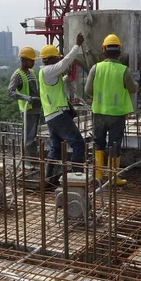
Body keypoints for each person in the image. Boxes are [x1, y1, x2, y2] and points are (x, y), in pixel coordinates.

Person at [84, 34, 139, 186]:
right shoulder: (124, 70)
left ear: (103, 50)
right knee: (114, 145)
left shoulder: (96, 68)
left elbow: (88, 90)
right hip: (117, 114)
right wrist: (137, 81)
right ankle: (114, 178)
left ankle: (98, 176)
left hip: (99, 113)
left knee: (98, 143)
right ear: (120, 52)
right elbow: (133, 89)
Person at [38, 33, 86, 186]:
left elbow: (60, 84)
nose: (59, 59)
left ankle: (47, 179)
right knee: (78, 144)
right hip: (58, 116)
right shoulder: (47, 71)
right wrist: (77, 45)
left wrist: (69, 108)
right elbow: (64, 62)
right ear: (49, 59)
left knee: (56, 148)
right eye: (56, 57)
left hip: (52, 116)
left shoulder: (49, 74)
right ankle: (75, 179)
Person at [8, 46, 42, 158]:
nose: (33, 62)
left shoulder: (32, 72)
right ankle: (27, 159)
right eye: (31, 60)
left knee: (33, 135)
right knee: (28, 136)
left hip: (36, 108)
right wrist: (26, 98)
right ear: (23, 60)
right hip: (27, 109)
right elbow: (10, 92)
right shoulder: (17, 75)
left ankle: (32, 157)